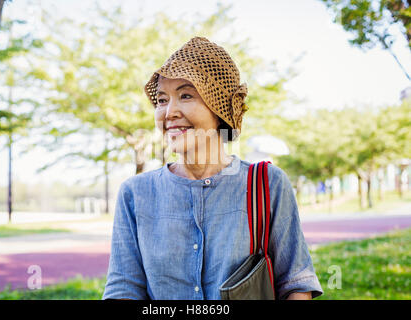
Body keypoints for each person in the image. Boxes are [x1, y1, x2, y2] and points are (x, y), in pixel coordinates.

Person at [102, 36, 323, 300]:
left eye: (185, 95)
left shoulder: (268, 183)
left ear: (219, 109)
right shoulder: (135, 193)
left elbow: (296, 285)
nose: (169, 112)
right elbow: (123, 289)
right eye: (161, 100)